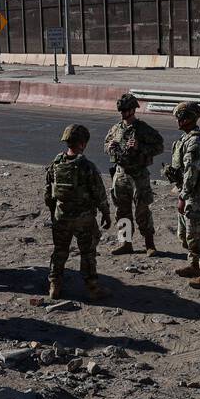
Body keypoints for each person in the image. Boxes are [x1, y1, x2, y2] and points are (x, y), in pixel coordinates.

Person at [45, 124, 112, 300]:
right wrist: (106, 213)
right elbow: (99, 193)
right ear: (82, 143)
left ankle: (55, 285)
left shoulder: (56, 163)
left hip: (61, 216)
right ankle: (92, 288)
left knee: (60, 251)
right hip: (84, 218)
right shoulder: (87, 166)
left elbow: (48, 192)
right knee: (88, 252)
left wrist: (54, 212)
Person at [103, 93, 164, 256]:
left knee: (142, 210)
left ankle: (149, 244)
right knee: (122, 210)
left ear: (132, 110)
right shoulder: (116, 128)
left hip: (138, 176)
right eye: (121, 110)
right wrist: (110, 146)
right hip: (120, 174)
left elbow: (159, 146)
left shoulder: (142, 129)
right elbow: (106, 144)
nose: (122, 113)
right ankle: (125, 243)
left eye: (125, 110)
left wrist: (139, 147)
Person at [164, 101, 200, 288]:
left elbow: (191, 173)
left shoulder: (195, 141)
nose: (178, 121)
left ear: (189, 119)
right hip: (187, 193)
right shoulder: (184, 139)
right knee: (186, 234)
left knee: (198, 234)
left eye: (181, 117)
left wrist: (183, 197)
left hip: (195, 196)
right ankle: (194, 265)